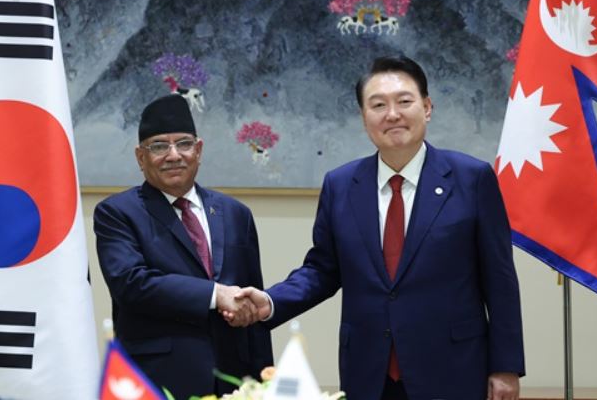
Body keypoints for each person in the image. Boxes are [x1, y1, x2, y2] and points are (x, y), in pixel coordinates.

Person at [231, 55, 525, 400]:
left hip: (452, 368)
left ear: (427, 107)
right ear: (364, 117)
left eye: (404, 101)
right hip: (369, 372)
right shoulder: (341, 185)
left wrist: (505, 367)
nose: (392, 114)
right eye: (378, 105)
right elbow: (322, 270)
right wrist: (270, 301)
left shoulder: (471, 178)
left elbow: (499, 279)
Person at [94, 94, 273, 400]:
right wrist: (215, 295)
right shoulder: (118, 213)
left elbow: (251, 305)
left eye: (184, 144)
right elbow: (131, 284)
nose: (174, 155)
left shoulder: (235, 213)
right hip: (157, 381)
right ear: (140, 157)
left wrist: (265, 381)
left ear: (198, 150)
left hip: (234, 382)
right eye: (159, 146)